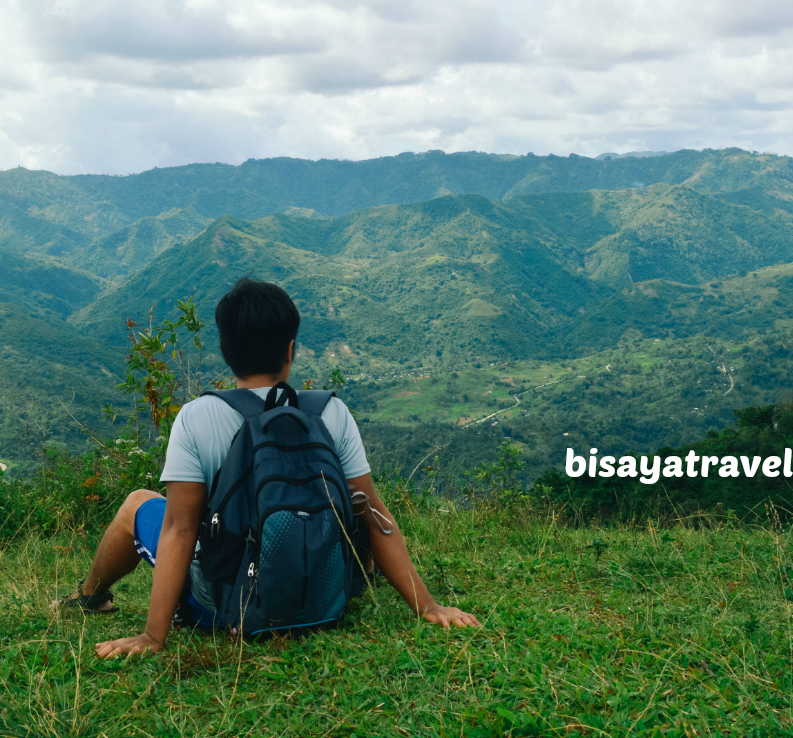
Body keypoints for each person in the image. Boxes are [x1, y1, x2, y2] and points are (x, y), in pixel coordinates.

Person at [51, 276, 480, 656]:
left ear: (226, 350)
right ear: (290, 350)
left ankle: (90, 597)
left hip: (226, 607)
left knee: (136, 504)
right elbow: (374, 515)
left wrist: (152, 637)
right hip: (322, 591)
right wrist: (429, 606)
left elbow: (180, 530)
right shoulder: (331, 413)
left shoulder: (197, 417)